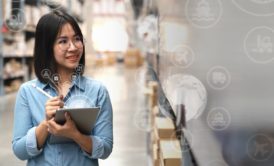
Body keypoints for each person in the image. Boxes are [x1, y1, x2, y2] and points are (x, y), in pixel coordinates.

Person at [12, 10, 113, 166]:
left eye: (77, 39)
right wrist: (46, 124)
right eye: (63, 41)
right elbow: (19, 151)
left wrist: (74, 134)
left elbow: (105, 149)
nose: (73, 47)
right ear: (47, 47)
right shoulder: (28, 91)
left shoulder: (97, 91)